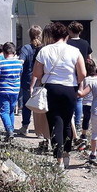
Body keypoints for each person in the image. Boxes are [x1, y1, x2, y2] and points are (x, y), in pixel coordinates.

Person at [33, 22, 86, 169]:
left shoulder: (44, 51)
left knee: (55, 121)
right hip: (70, 88)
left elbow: (37, 73)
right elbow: (83, 73)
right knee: (67, 121)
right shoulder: (74, 51)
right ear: (66, 35)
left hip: (51, 88)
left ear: (53, 36)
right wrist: (75, 83)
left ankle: (59, 160)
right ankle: (67, 153)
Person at [0, 42, 23, 141]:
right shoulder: (19, 63)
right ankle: (11, 130)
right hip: (15, 91)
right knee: (11, 111)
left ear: (4, 52)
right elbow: (19, 75)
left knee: (4, 112)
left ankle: (9, 130)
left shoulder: (1, 64)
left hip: (3, 90)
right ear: (14, 51)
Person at [67, 21, 93, 131]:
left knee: (69, 99)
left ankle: (69, 120)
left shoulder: (67, 43)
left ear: (70, 31)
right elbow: (89, 58)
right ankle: (78, 122)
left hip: (69, 71)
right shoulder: (85, 43)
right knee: (79, 99)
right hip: (81, 72)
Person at [17, 25, 43, 136]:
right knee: (41, 105)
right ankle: (41, 130)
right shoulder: (43, 48)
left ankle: (25, 126)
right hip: (42, 80)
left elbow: (21, 62)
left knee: (27, 105)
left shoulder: (26, 48)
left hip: (27, 81)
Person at [77, 58, 97, 150]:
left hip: (86, 103)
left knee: (86, 119)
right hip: (96, 103)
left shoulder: (85, 79)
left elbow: (81, 91)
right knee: (95, 121)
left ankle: (84, 136)